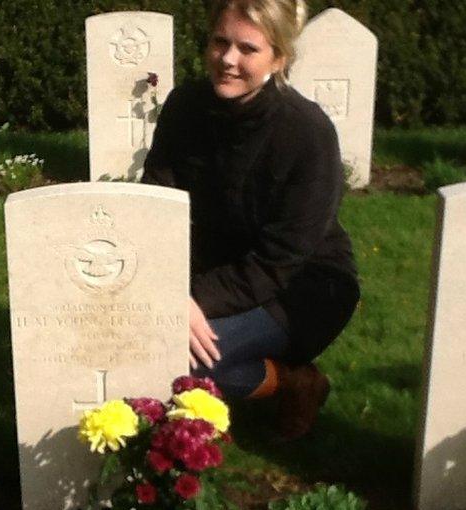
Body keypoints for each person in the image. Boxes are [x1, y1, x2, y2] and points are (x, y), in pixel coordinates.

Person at [142, 0, 359, 439]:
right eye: (220, 42)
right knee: (133, 335)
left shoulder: (306, 132)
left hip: (300, 286)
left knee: (181, 363)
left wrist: (192, 300)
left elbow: (281, 258)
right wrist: (170, 292)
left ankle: (297, 381)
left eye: (248, 48)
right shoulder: (184, 106)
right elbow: (154, 207)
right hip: (212, 271)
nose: (228, 60)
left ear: (278, 58)